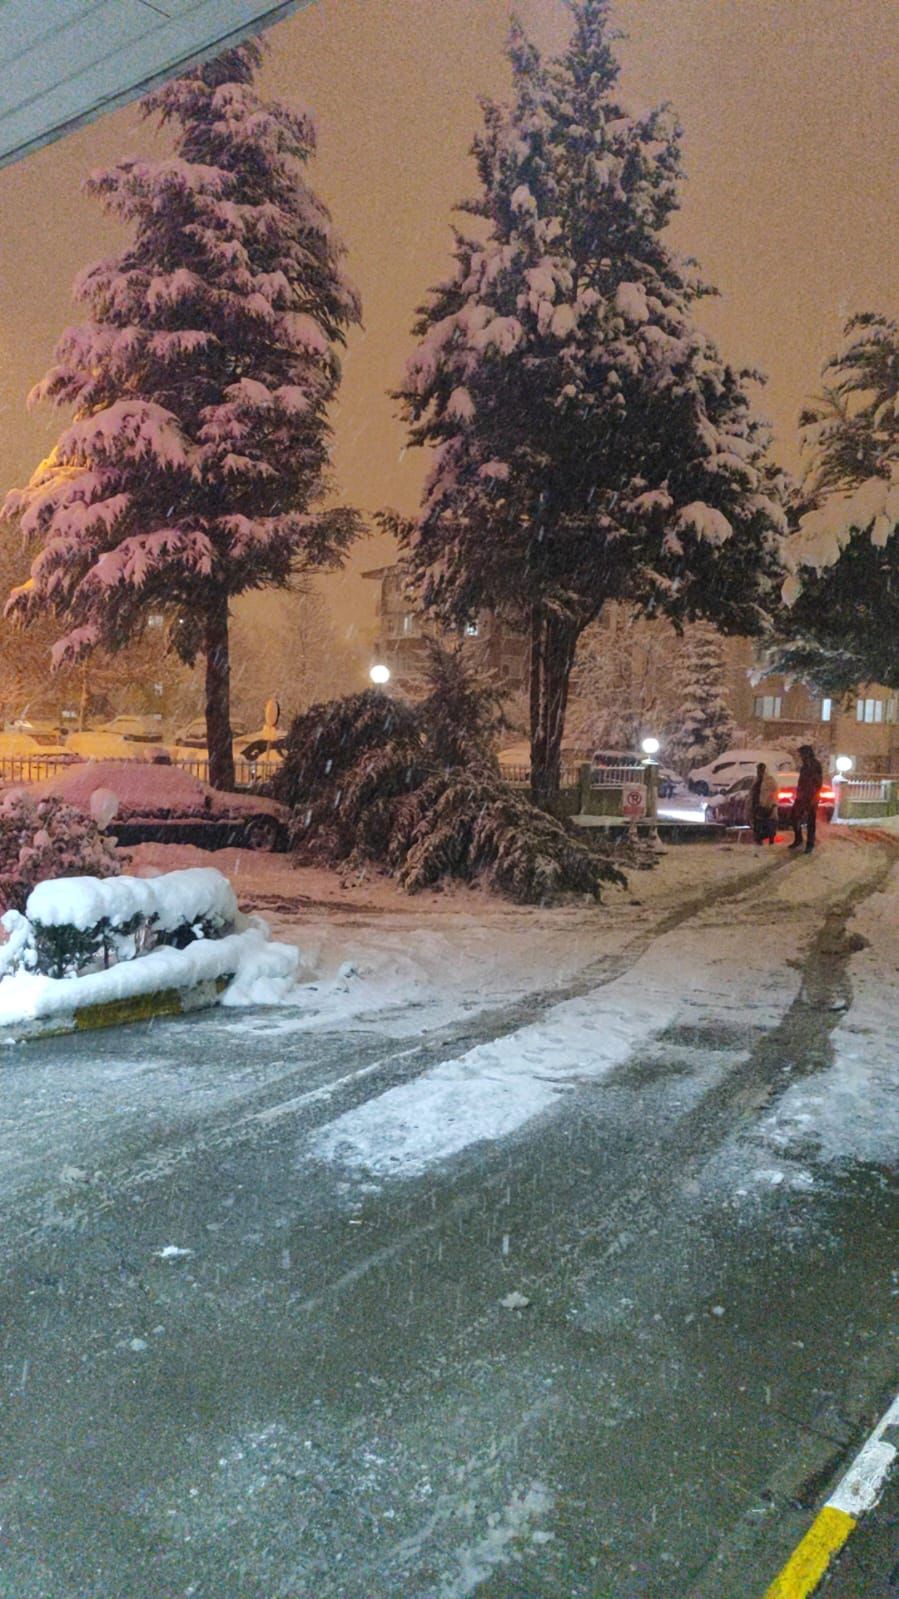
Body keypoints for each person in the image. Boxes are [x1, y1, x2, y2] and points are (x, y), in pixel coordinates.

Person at [788, 745, 823, 853]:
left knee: (810, 821)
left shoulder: (814, 765)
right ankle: (799, 839)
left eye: (801, 754)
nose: (800, 756)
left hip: (811, 796)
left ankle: (810, 843)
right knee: (794, 817)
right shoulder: (805, 766)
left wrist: (814, 796)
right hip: (802, 796)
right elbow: (802, 781)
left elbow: (818, 782)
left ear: (806, 754)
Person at [749, 761, 778, 844]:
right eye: (758, 770)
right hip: (757, 806)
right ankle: (759, 840)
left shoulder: (769, 780)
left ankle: (770, 841)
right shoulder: (756, 781)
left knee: (769, 825)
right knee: (758, 825)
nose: (759, 772)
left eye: (761, 770)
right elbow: (753, 793)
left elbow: (773, 792)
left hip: (767, 806)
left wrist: (771, 804)